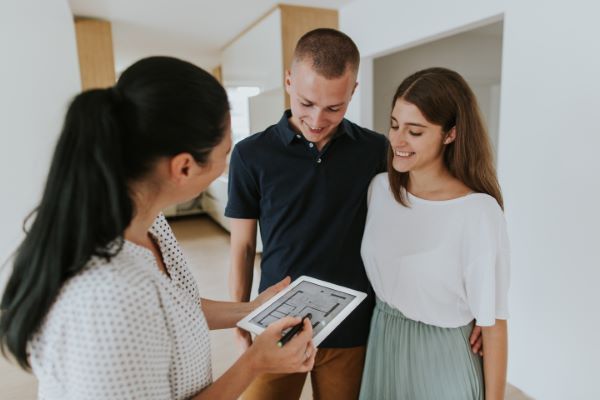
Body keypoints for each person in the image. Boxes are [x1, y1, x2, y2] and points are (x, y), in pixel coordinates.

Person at [0, 56, 316, 400]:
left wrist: (251, 310)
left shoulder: (152, 226)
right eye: (225, 151)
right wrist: (255, 362)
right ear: (183, 167)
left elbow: (177, 309)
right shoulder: (107, 299)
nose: (229, 161)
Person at [225, 29, 483, 399]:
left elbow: (429, 219)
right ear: (288, 81)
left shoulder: (377, 150)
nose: (317, 119)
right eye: (306, 103)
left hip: (353, 328)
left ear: (353, 91)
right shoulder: (251, 154)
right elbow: (243, 247)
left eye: (334, 108)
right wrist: (239, 316)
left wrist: (476, 311)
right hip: (277, 323)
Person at [359, 67, 509, 400]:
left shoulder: (478, 212)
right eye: (395, 125)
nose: (397, 141)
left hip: (442, 356)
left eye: (415, 131)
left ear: (450, 134)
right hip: (383, 338)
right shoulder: (380, 189)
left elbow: (494, 324)